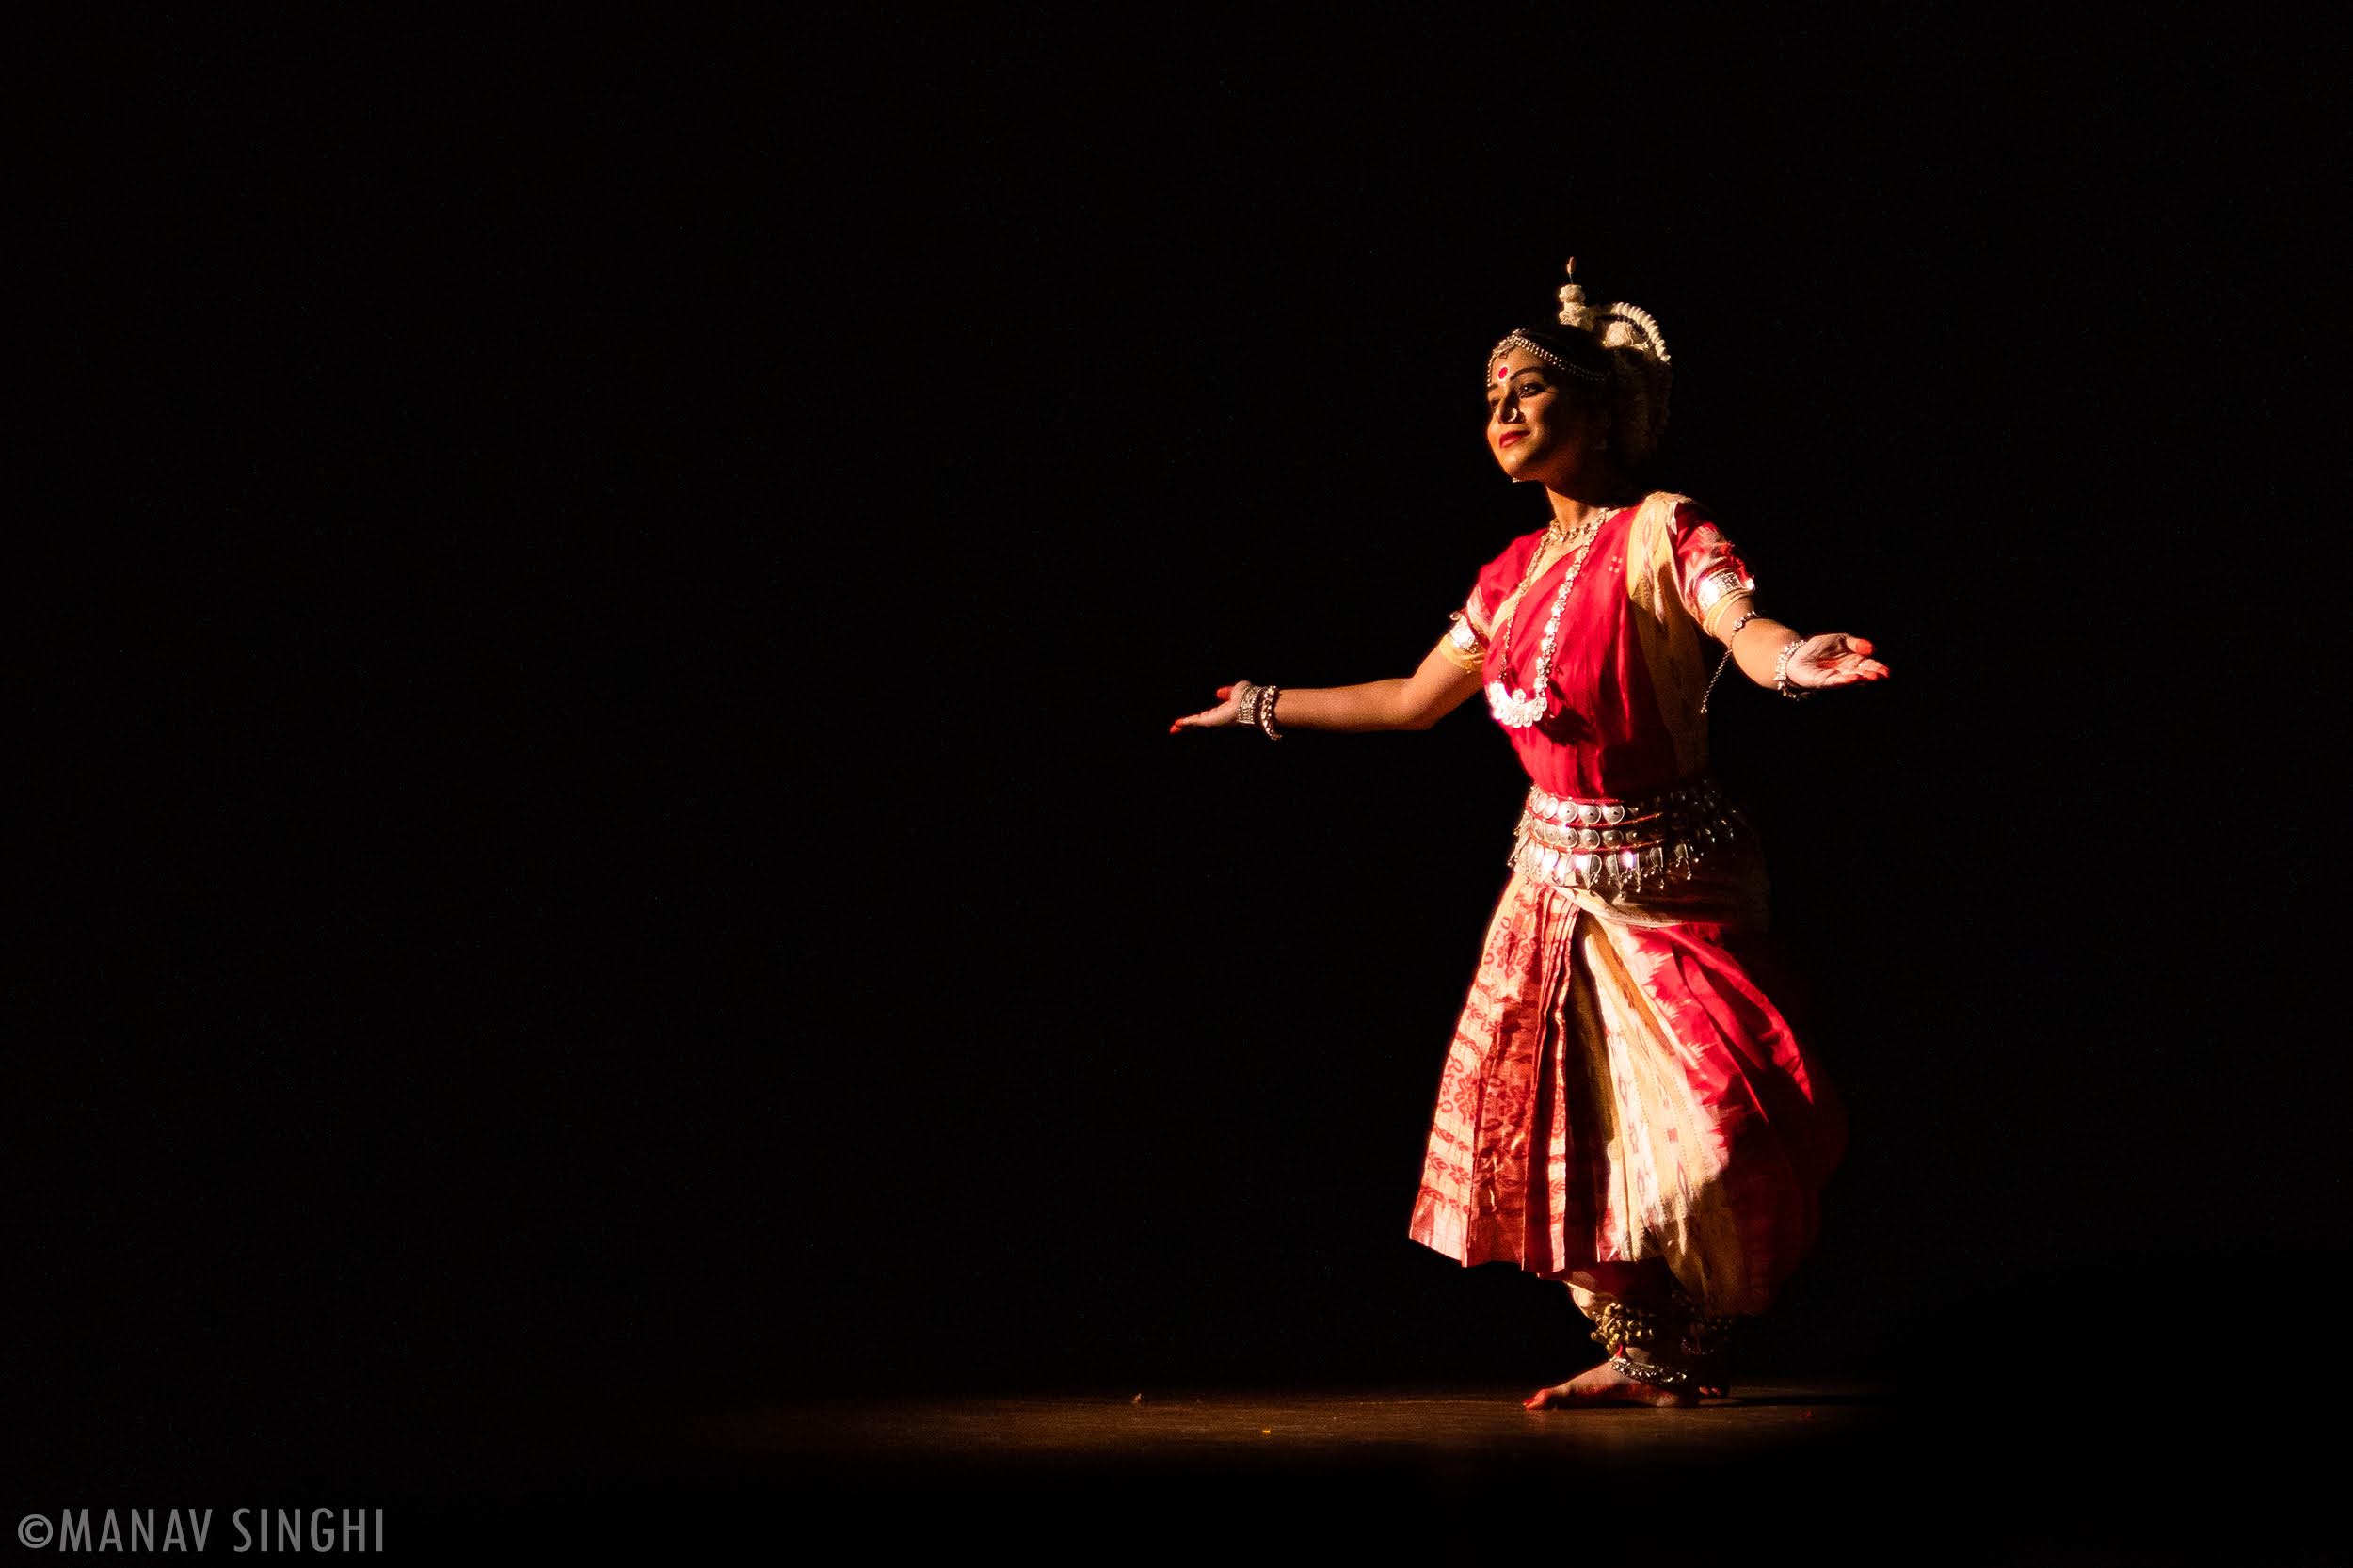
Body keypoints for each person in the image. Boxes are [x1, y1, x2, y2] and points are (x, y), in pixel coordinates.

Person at [1170, 260, 1886, 1407]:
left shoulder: (1664, 527)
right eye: (1491, 398)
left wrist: (1796, 662)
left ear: (1599, 415)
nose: (1501, 415)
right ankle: (1646, 1350)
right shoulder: (1507, 574)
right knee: (1573, 1131)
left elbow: (1736, 622)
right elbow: (1411, 700)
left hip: (1671, 875)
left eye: (1528, 394)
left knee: (1723, 1127)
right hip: (1549, 879)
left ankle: (1691, 1331)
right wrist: (1264, 701)